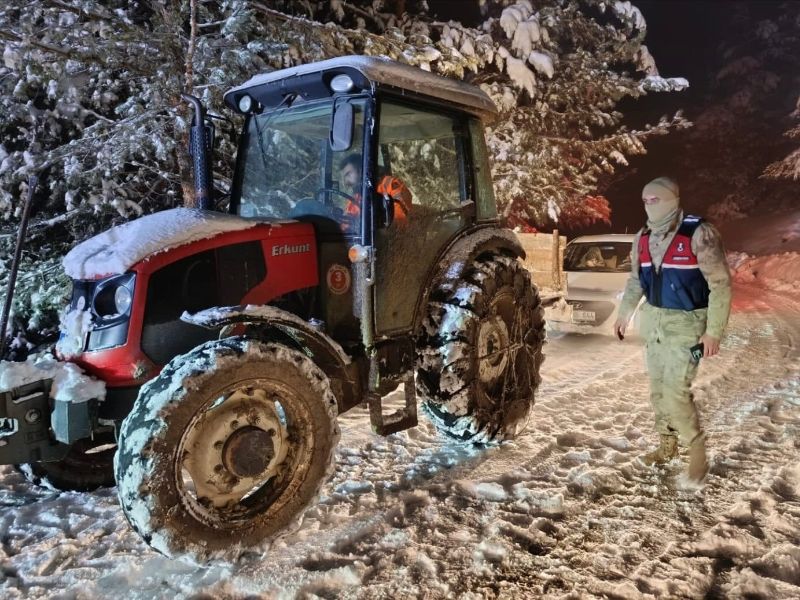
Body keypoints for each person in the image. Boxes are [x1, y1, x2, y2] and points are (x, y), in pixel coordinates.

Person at [614, 176, 732, 483]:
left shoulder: (699, 233)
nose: (649, 205)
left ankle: (697, 453)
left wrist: (714, 332)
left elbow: (719, 285)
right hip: (653, 323)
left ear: (672, 200)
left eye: (656, 199)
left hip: (687, 325)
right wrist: (624, 313)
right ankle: (667, 445)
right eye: (645, 200)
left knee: (675, 391)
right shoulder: (642, 236)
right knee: (658, 390)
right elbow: (636, 281)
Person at [340, 153, 412, 223]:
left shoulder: (391, 185)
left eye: (348, 174)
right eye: (344, 178)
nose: (345, 182)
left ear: (361, 169)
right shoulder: (354, 200)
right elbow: (344, 226)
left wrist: (370, 222)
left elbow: (401, 216)